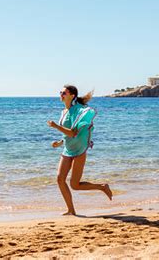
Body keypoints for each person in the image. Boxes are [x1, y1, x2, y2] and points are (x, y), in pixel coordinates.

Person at [47, 85, 112, 215]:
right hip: (68, 148)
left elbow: (73, 133)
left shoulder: (77, 110)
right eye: (61, 92)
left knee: (75, 185)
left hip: (79, 149)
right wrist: (60, 142)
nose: (61, 94)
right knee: (60, 179)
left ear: (72, 95)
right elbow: (67, 134)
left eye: (64, 92)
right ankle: (71, 210)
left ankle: (102, 187)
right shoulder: (64, 111)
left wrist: (55, 126)